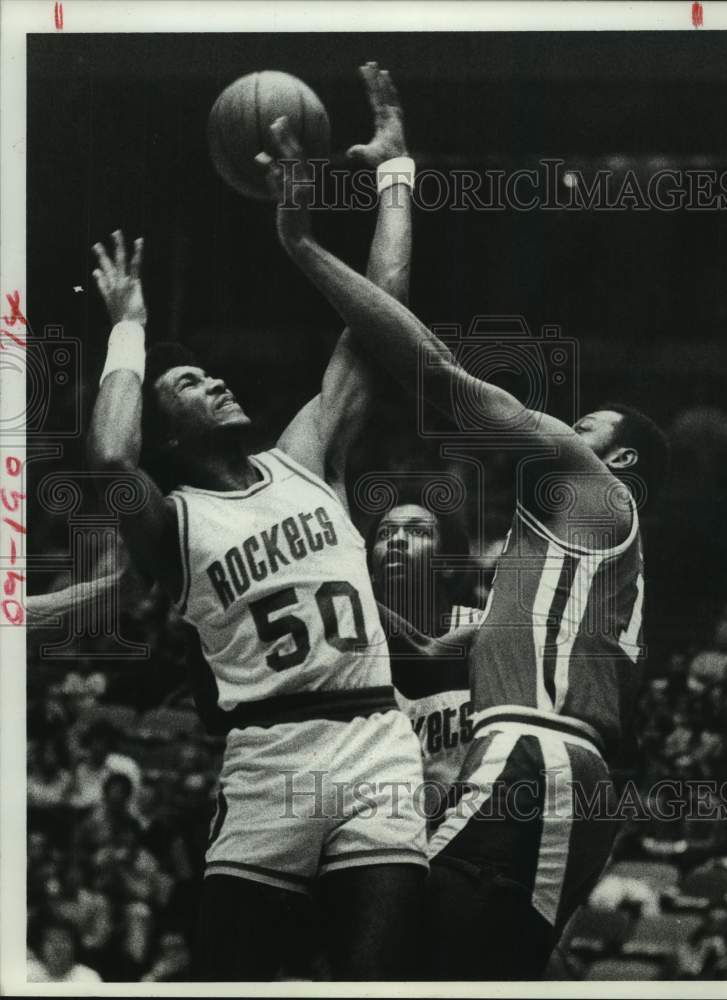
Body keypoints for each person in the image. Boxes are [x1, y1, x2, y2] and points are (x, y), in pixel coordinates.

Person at [258, 116, 669, 979]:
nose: (567, 425)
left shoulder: (590, 485)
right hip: (555, 769)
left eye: (586, 423)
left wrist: (301, 245)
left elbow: (434, 375)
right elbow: (446, 646)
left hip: (532, 756)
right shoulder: (573, 567)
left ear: (616, 455)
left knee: (398, 959)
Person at [85, 64, 426, 981]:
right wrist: (131, 328)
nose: (216, 380)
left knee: (378, 978)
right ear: (170, 431)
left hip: (375, 745)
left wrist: (395, 174)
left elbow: (382, 317)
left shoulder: (306, 455)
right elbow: (111, 463)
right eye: (189, 385)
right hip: (267, 760)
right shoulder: (172, 521)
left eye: (209, 373)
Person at [367, 500, 481, 823]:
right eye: (384, 533)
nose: (397, 540)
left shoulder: (483, 631)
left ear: (447, 564)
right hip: (391, 828)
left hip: (475, 829)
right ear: (371, 573)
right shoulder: (359, 652)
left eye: (417, 532)